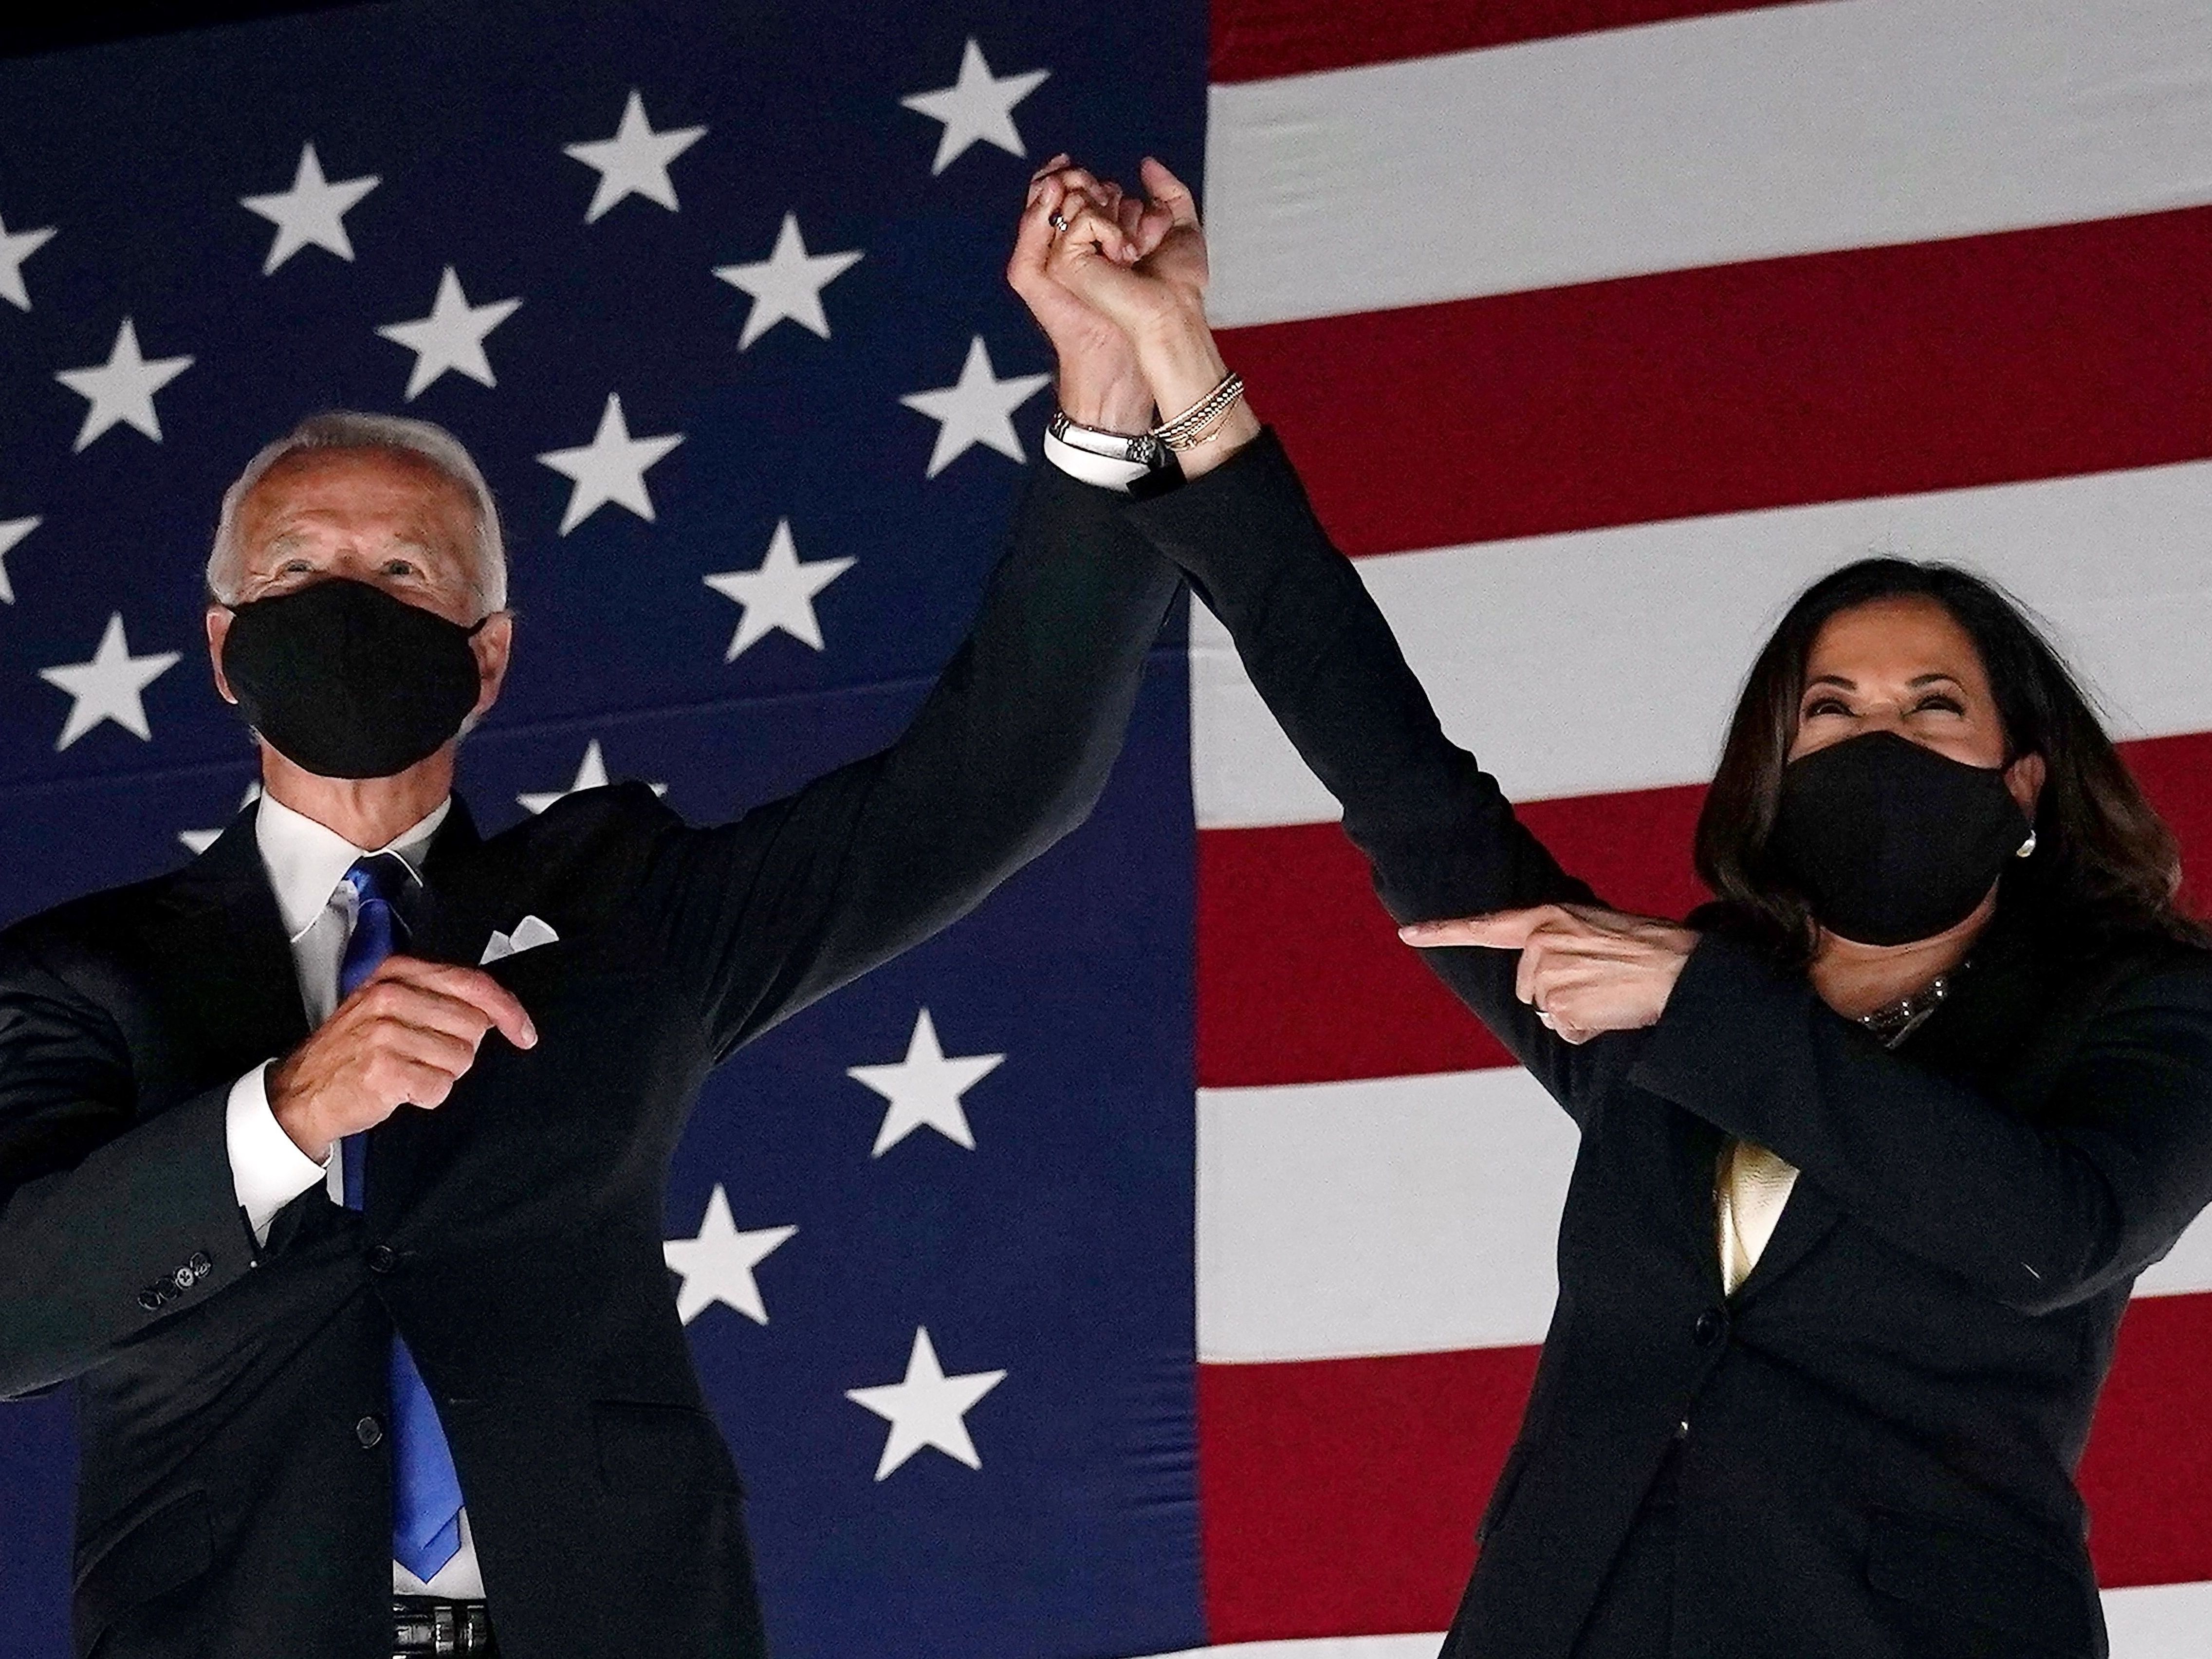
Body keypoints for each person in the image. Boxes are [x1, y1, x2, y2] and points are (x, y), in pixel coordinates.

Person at [1014, 158, 2212, 1658]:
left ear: (2025, 783)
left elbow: (2057, 1232)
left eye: (1933, 706)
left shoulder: (2144, 1004)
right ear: (1776, 767)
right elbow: (1407, 789)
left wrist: (1708, 1009)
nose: (1877, 735)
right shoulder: (1669, 993)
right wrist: (1189, 370)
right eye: (1830, 709)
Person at [0, 166, 1177, 1659]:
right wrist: (285, 1112)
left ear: (488, 660)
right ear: (226, 649)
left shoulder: (620, 908)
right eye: (299, 569)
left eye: (404, 571)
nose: (348, 600)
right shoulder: (79, 979)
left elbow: (1004, 779)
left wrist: (1109, 400)